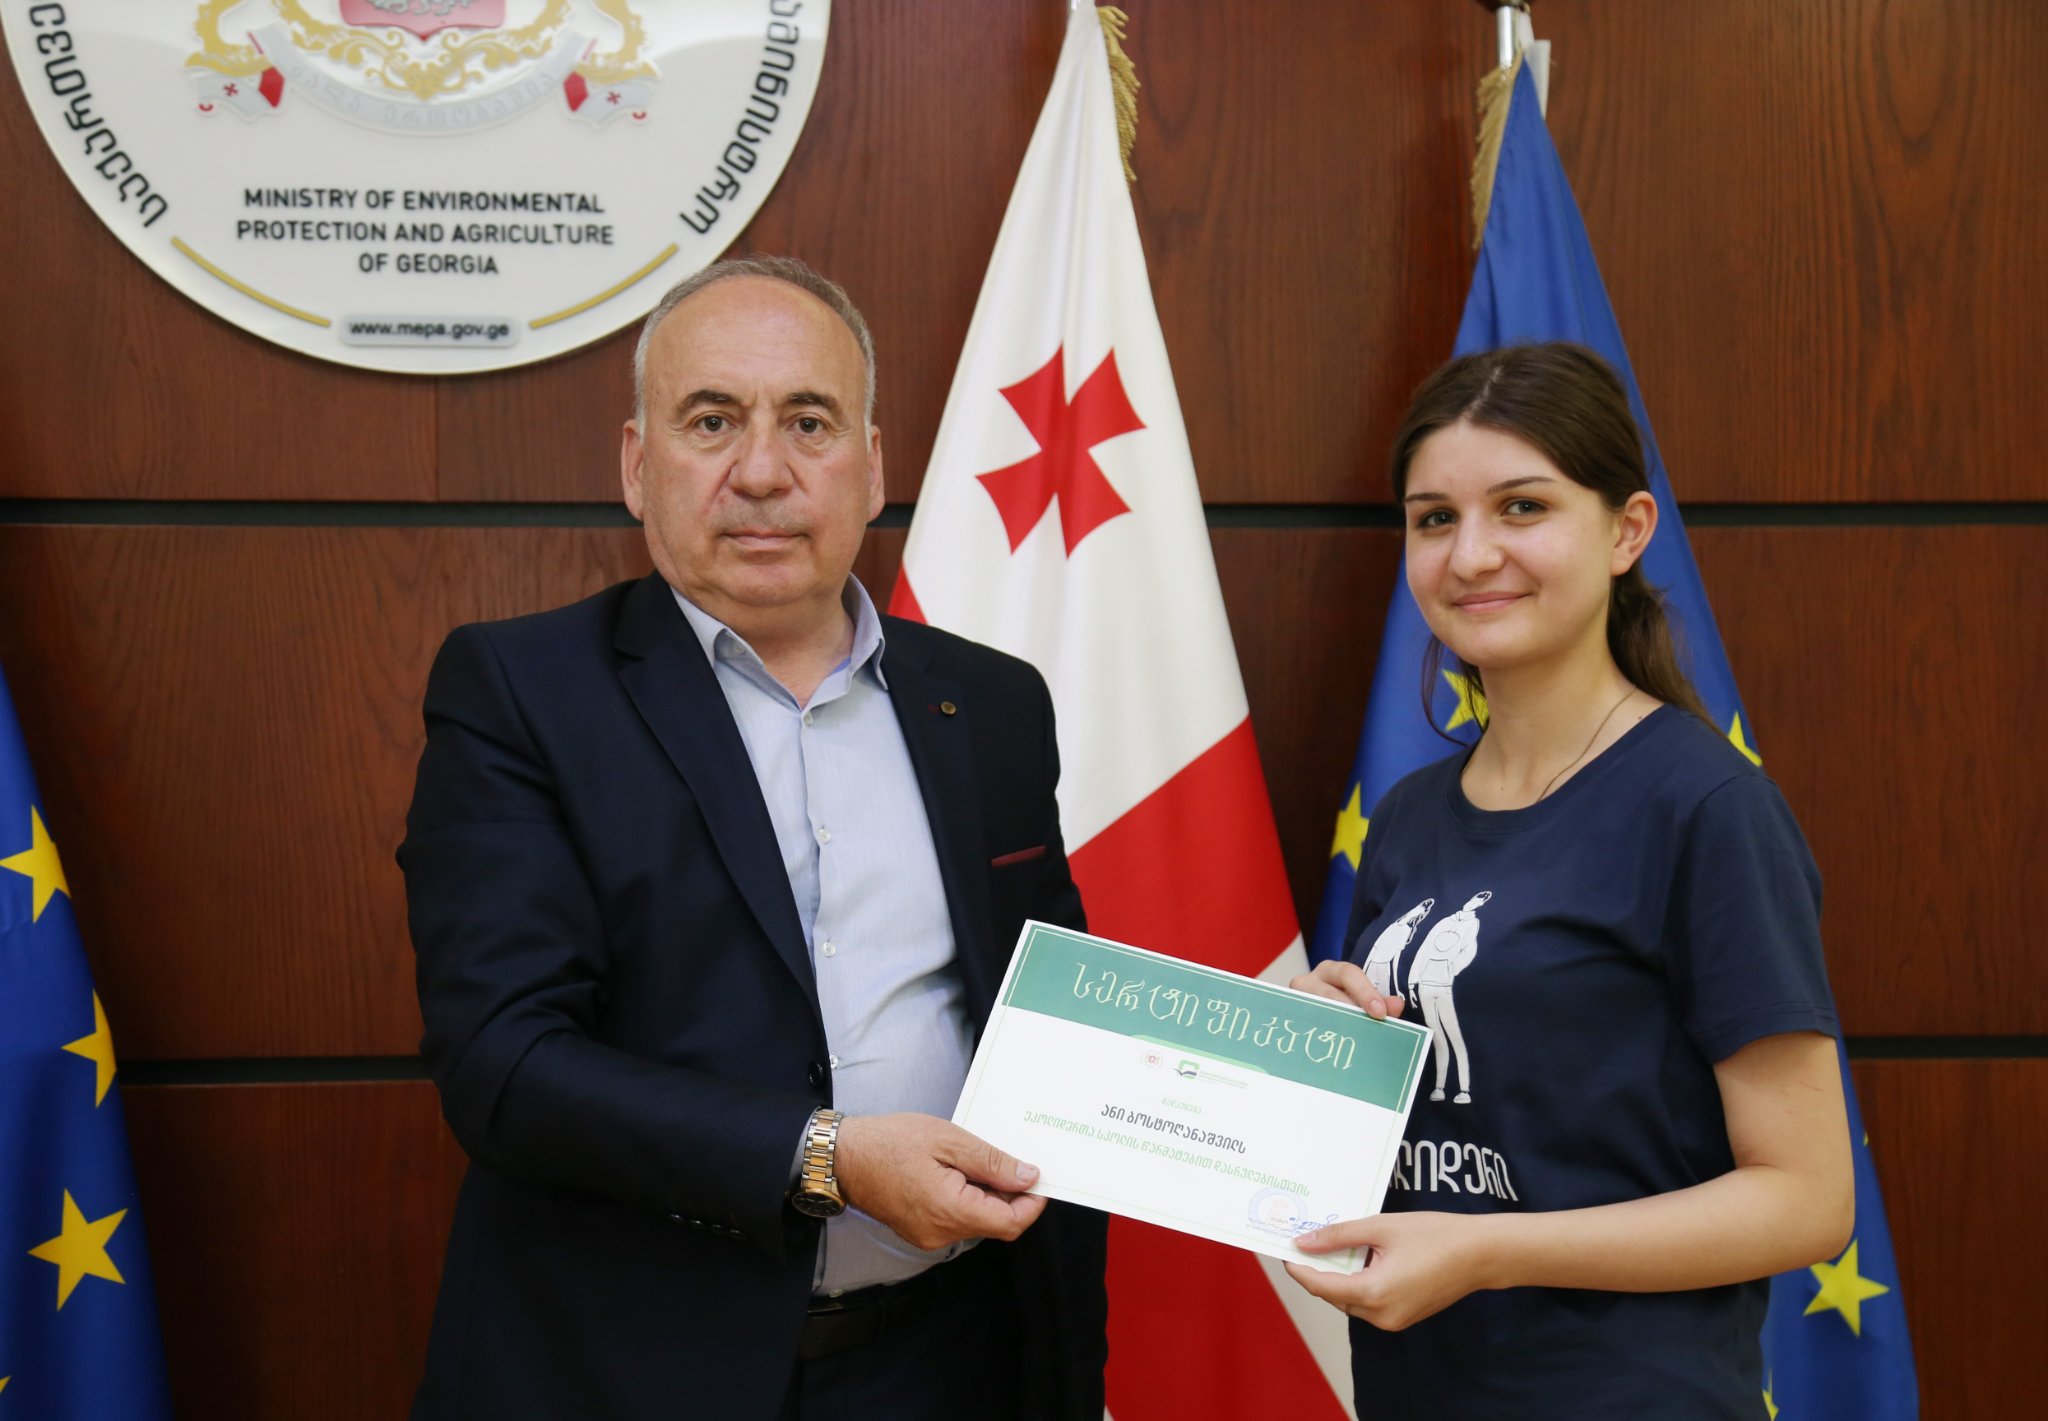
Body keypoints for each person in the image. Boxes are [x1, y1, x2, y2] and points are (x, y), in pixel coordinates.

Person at [398, 256, 1107, 1421]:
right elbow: (504, 1063)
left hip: (946, 1359)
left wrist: (1286, 1058)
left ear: (872, 466)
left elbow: (1052, 1016)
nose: (763, 470)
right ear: (638, 465)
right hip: (631, 1372)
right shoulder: (520, 693)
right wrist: (822, 1155)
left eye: (808, 422)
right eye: (712, 420)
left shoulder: (989, 704)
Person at [1285, 342, 1852, 1416]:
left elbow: (1806, 1198)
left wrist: (1490, 1250)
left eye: (1522, 507)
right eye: (1434, 518)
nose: (1470, 555)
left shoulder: (1702, 807)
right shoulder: (1408, 815)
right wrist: (1320, 1038)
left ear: (1627, 531)